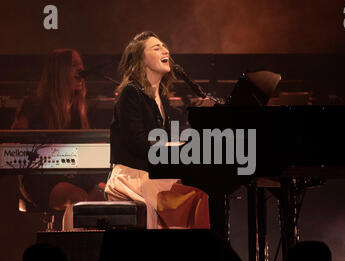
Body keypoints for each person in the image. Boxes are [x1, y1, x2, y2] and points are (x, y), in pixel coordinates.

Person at [104, 31, 210, 229]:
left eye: (164, 46)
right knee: (197, 197)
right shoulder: (130, 93)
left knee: (201, 192)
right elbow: (137, 143)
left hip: (151, 174)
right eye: (156, 47)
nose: (165, 50)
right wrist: (175, 147)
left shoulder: (160, 97)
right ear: (141, 60)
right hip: (132, 176)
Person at [11, 49, 106, 230]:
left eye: (81, 64)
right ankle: (72, 246)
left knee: (108, 194)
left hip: (77, 175)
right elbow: (14, 147)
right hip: (42, 178)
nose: (81, 69)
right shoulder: (33, 106)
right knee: (78, 198)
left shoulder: (81, 110)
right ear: (58, 72)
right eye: (73, 65)